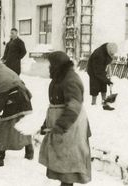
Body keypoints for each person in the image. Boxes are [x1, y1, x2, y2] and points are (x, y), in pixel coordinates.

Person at [39, 51, 92, 186]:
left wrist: (61, 126)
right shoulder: (60, 77)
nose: (49, 67)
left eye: (51, 64)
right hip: (63, 126)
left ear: (57, 65)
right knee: (63, 161)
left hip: (71, 127)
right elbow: (54, 105)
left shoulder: (70, 79)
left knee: (69, 163)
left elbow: (74, 106)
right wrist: (46, 124)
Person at [0, 62, 34, 167]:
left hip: (15, 101)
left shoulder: (3, 79)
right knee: (22, 125)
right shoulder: (2, 71)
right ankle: (29, 151)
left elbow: (2, 101)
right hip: (24, 100)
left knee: (3, 129)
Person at [87, 43, 118, 110]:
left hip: (100, 68)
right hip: (92, 70)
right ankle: (93, 104)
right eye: (111, 54)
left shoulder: (107, 48)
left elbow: (105, 60)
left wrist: (110, 58)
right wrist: (108, 81)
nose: (112, 55)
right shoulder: (99, 55)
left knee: (103, 84)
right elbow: (98, 72)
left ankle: (104, 103)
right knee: (95, 85)